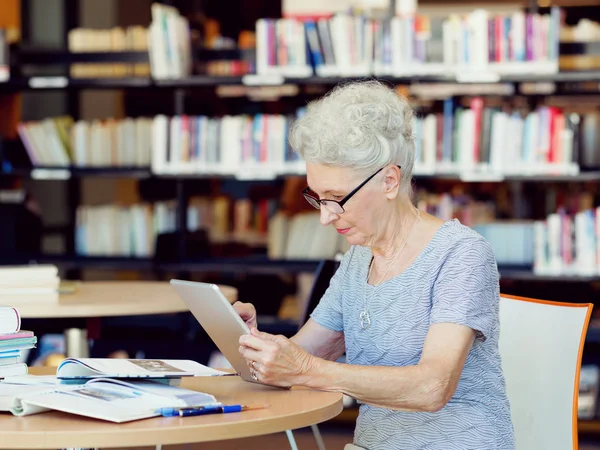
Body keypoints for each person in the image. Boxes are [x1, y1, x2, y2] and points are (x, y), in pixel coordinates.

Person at [234, 80, 515, 450]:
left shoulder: (461, 253)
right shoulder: (356, 261)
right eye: (317, 198)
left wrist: (303, 368)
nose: (325, 217)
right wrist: (261, 348)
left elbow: (432, 387)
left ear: (389, 180)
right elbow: (304, 357)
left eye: (336, 198)